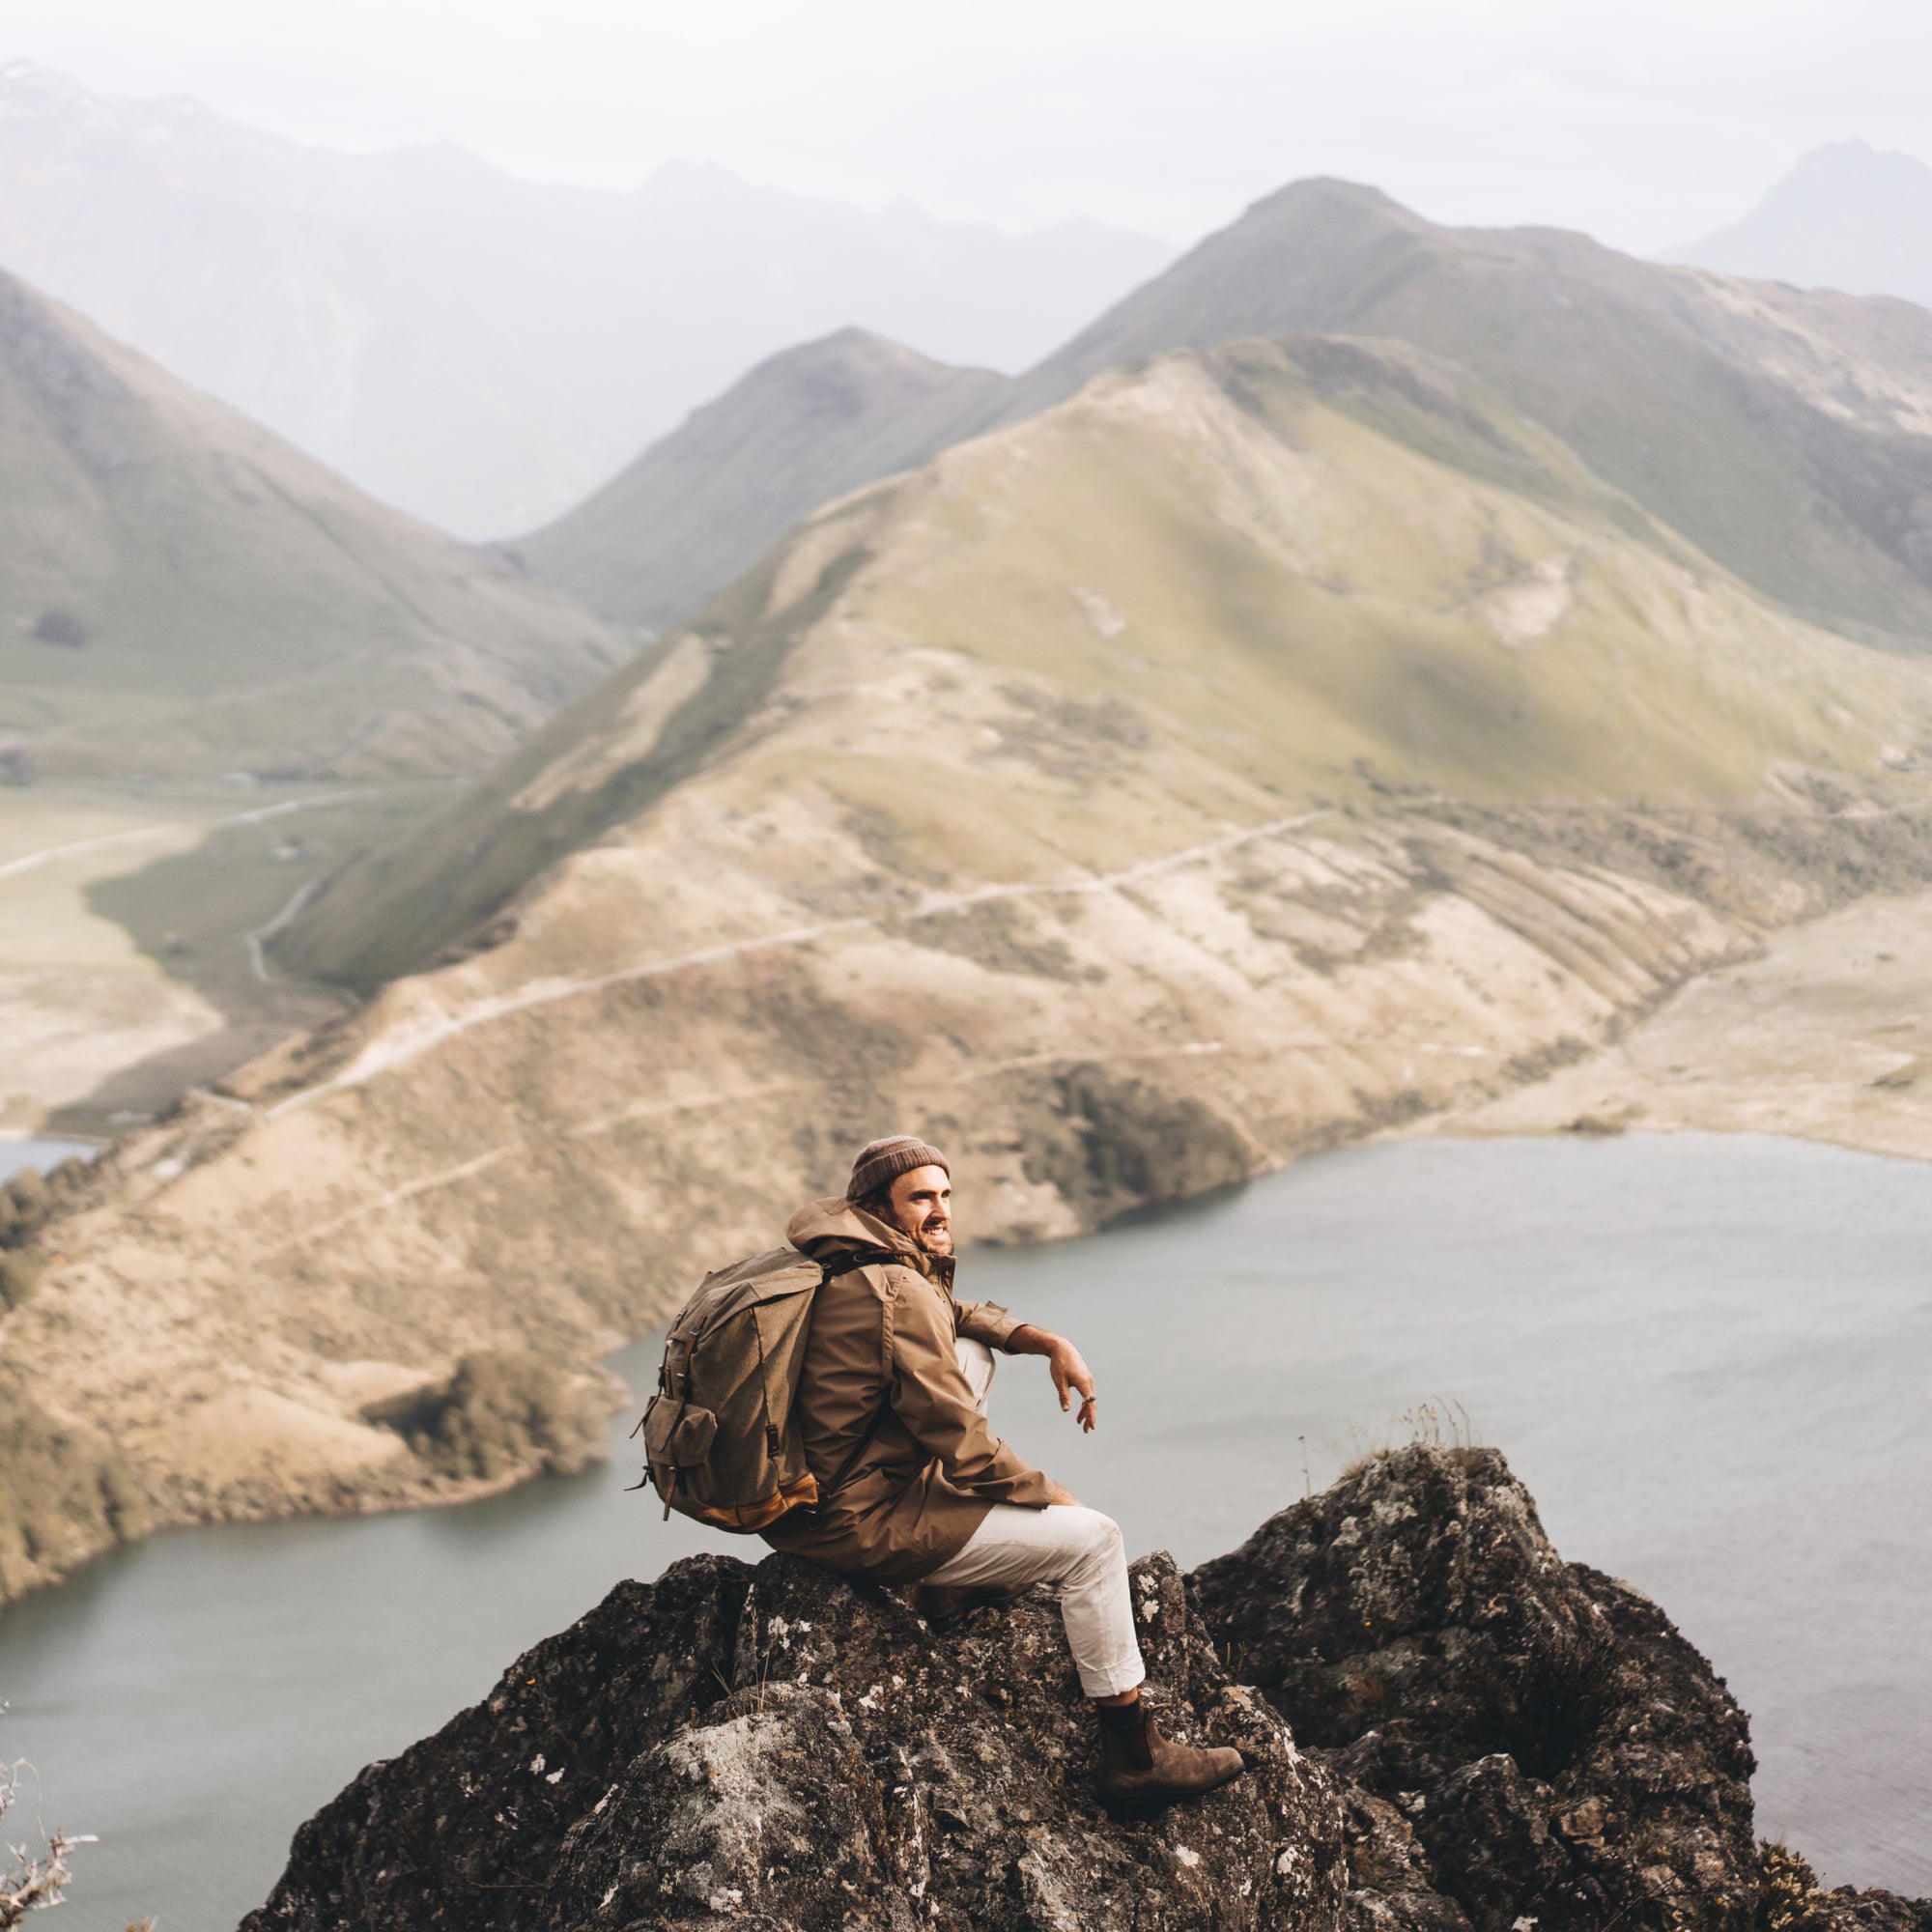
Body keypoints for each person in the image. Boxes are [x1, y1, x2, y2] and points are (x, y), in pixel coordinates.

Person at [765, 1133, 1246, 1810]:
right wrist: (1053, 1498)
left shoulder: (853, 1261)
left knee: (972, 1352)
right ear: (877, 1205)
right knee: (1095, 1541)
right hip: (858, 1525)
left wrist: (1044, 1340)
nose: (940, 1211)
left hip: (824, 1500)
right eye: (921, 1198)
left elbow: (948, 1316)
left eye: (945, 1195)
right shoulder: (893, 1287)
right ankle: (1136, 1756)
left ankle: (946, 1589)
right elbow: (960, 1443)